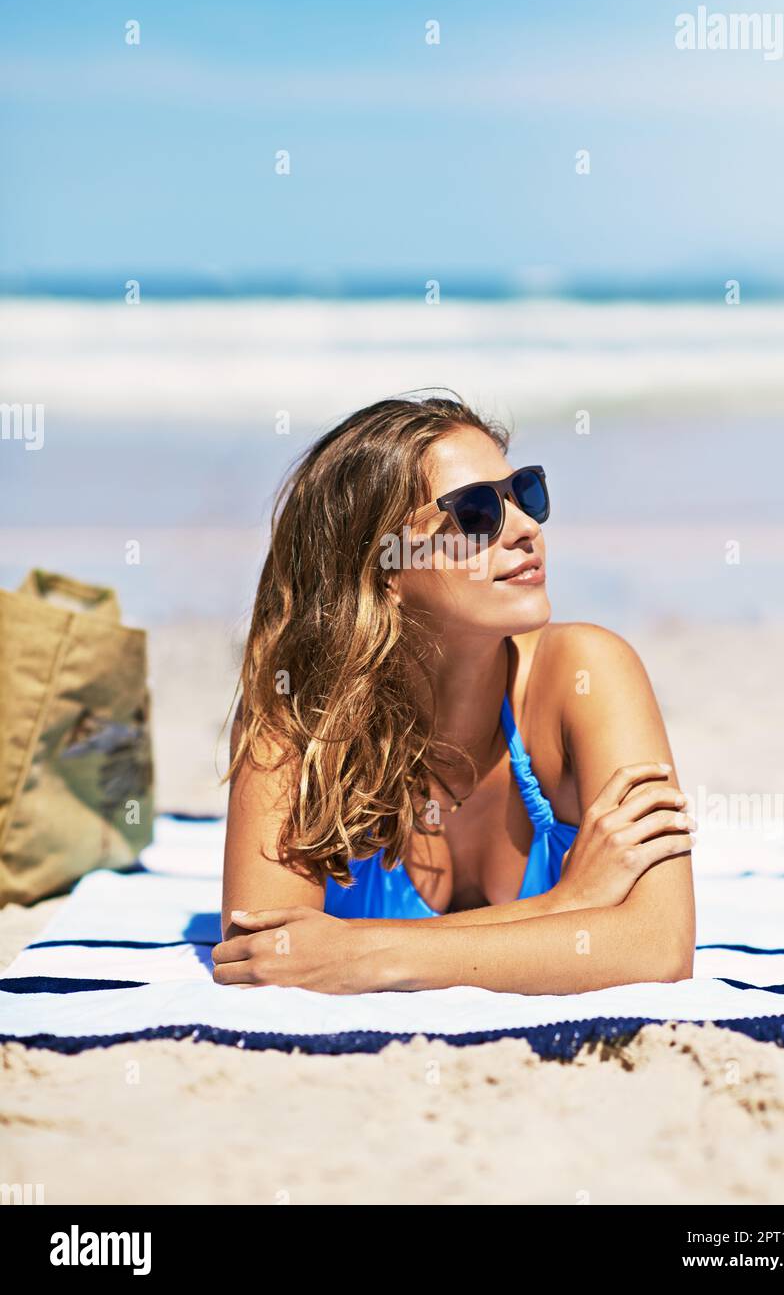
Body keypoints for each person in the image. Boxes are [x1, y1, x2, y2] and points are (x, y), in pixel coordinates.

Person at [213, 395, 696, 994]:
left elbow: (659, 945)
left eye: (525, 492)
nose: (525, 528)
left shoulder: (588, 674)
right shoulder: (300, 715)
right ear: (383, 567)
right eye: (475, 513)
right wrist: (568, 907)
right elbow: (259, 956)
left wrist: (363, 955)